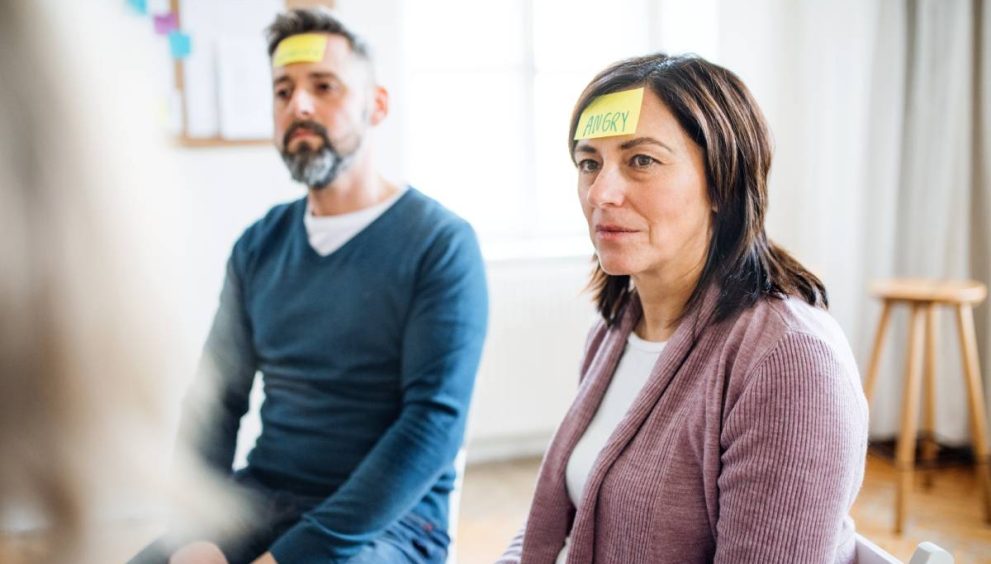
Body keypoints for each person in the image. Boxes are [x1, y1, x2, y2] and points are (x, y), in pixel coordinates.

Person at [131, 8, 488, 564]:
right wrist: (194, 529)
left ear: (376, 105)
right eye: (283, 90)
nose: (299, 104)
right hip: (263, 497)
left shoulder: (440, 243)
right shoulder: (258, 245)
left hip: (391, 524)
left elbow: (432, 423)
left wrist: (295, 556)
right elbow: (218, 400)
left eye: (324, 86)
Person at [499, 53, 868, 563]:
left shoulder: (789, 362)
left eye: (641, 161)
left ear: (723, 182)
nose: (601, 193)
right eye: (590, 163)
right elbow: (557, 522)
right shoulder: (615, 329)